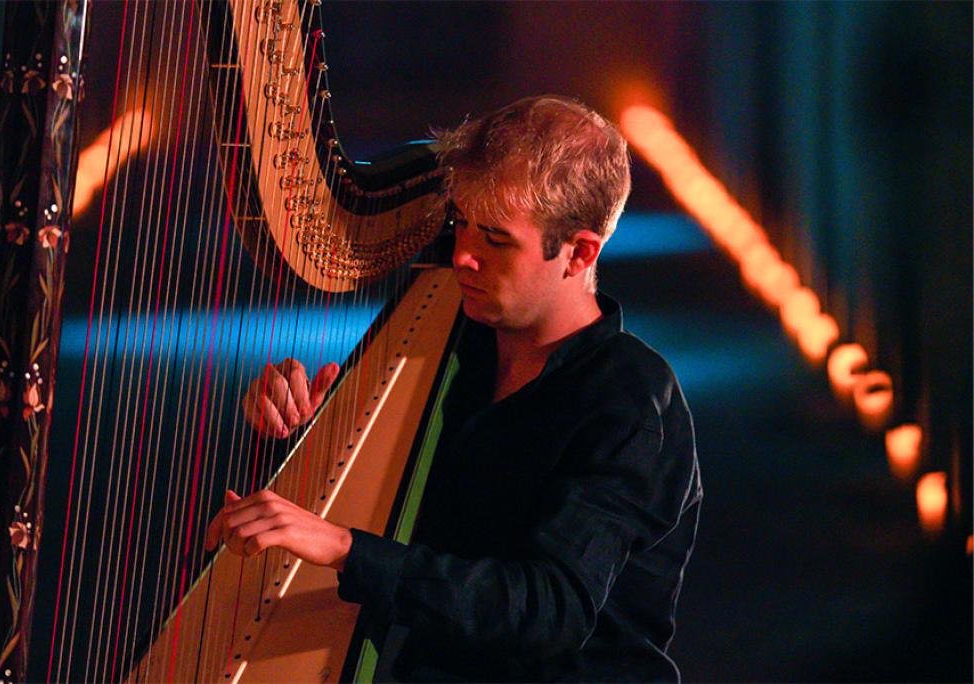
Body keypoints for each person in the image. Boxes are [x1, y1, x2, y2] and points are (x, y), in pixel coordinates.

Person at [205, 95, 702, 682]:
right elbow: (389, 504)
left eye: (495, 239)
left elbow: (547, 613)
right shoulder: (454, 346)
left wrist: (343, 545)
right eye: (461, 221)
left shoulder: (629, 401)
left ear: (580, 253)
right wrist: (296, 435)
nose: (462, 254)